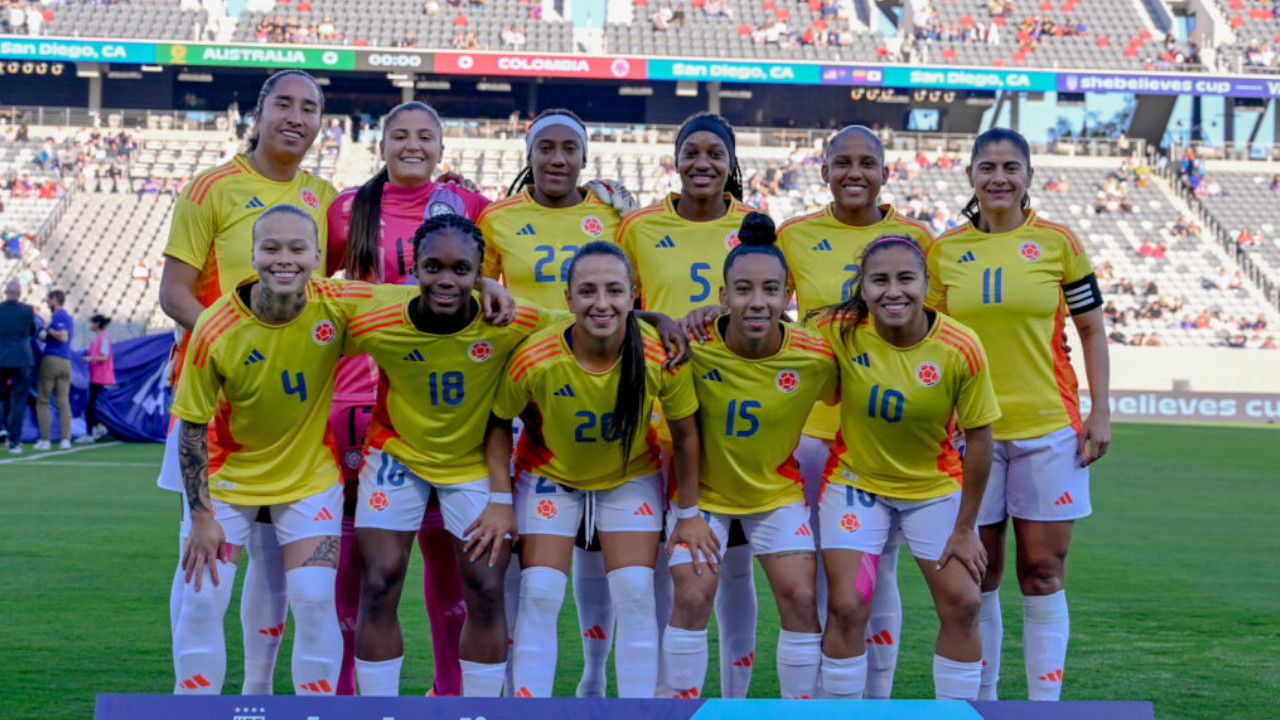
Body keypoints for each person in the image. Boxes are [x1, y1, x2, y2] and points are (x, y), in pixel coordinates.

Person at [159, 69, 337, 696]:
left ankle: (259, 701)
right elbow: (174, 292)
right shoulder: (210, 188)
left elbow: (335, 296)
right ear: (257, 114)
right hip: (216, 410)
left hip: (292, 418)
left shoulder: (326, 195)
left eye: (309, 107)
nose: (296, 116)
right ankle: (196, 702)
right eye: (282, 103)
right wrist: (236, 341)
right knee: (204, 571)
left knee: (282, 575)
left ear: (321, 122)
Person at [927, 128, 1110, 701]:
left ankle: (1042, 709)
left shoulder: (1059, 243)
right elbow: (929, 340)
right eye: (987, 167)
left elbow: (1090, 330)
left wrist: (1100, 411)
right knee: (978, 575)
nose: (998, 177)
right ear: (971, 177)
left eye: (1011, 167)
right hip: (971, 436)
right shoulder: (944, 251)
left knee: (1043, 573)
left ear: (1030, 176)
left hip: (1049, 431)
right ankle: (984, 704)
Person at [326, 100, 493, 697]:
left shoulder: (469, 207)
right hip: (358, 403)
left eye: (426, 135)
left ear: (443, 147)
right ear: (382, 143)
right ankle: (351, 696)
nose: (413, 145)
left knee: (452, 562)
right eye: (400, 135)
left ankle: (450, 694)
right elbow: (312, 295)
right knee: (366, 567)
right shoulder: (346, 209)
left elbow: (500, 283)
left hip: (444, 408)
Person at [492, 242, 709, 698]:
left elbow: (686, 436)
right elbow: (497, 423)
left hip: (630, 475)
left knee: (634, 592)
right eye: (587, 291)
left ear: (634, 296)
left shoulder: (659, 355)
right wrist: (498, 501)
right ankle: (532, 711)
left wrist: (688, 512)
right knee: (541, 592)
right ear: (567, 298)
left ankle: (636, 712)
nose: (602, 302)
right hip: (549, 472)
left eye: (614, 290)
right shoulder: (537, 357)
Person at [171, 205, 372, 696]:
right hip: (227, 481)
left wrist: (486, 287)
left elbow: (421, 299)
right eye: (272, 247)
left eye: (298, 248)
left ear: (318, 256)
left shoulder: (338, 302)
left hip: (308, 479)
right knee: (202, 599)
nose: (285, 259)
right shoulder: (216, 327)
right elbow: (192, 428)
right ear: (253, 254)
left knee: (314, 599)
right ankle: (195, 709)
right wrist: (200, 518)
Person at [343, 216, 542, 697]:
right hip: (397, 455)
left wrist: (657, 319)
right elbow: (313, 296)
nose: (446, 280)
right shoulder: (376, 314)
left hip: (473, 462)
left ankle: (476, 709)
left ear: (479, 272)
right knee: (381, 583)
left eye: (461, 269)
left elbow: (586, 317)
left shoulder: (512, 318)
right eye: (433, 267)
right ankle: (379, 709)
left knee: (486, 591)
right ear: (414, 266)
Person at [477, 107, 638, 697]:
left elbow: (629, 293)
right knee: (526, 560)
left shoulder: (614, 215)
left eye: (569, 148)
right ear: (529, 155)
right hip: (519, 393)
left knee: (601, 548)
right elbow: (480, 289)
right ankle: (519, 685)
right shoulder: (497, 218)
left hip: (596, 391)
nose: (557, 159)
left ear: (586, 158)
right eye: (545, 147)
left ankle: (594, 681)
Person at [775, 125, 934, 698]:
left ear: (886, 172)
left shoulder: (916, 237)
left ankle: (876, 700)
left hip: (888, 432)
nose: (854, 173)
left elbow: (930, 332)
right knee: (820, 570)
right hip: (814, 430)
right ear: (823, 170)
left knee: (879, 571)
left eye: (868, 162)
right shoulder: (794, 235)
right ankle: (819, 699)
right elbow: (764, 310)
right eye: (842, 162)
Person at [814, 234, 1000, 699]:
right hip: (857, 485)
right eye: (879, 280)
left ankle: (956, 712)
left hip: (933, 490)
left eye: (905, 279)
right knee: (847, 605)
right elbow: (767, 331)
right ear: (862, 287)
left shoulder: (961, 346)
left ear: (925, 283)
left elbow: (980, 439)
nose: (892, 291)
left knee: (962, 602)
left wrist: (966, 527)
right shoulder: (837, 327)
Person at [664, 213, 837, 700]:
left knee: (803, 598)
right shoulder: (692, 346)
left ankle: (799, 714)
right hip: (704, 499)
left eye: (770, 290)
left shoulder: (816, 357)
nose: (757, 301)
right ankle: (681, 710)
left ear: (788, 297)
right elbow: (681, 435)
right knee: (693, 595)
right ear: (723, 297)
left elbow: (857, 394)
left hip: (775, 494)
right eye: (742, 289)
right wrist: (689, 512)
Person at [618, 111, 756, 697]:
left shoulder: (757, 227)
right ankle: (655, 696)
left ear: (731, 164)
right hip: (657, 417)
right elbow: (620, 306)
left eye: (714, 154)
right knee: (655, 565)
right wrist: (659, 319)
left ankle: (733, 702)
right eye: (691, 152)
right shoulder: (639, 227)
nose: (703, 163)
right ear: (675, 161)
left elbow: (771, 306)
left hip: (733, 421)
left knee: (733, 570)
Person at [34, 290, 74, 451]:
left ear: (55, 300)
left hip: (52, 359)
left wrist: (47, 330)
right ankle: (66, 439)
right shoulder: (69, 317)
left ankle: (45, 440)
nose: (48, 304)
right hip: (66, 361)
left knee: (43, 400)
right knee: (63, 402)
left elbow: (62, 336)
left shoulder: (58, 316)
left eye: (49, 301)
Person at [0, 280, 36, 453]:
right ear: (19, 294)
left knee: (1, 398)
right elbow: (32, 332)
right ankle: (14, 441)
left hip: (2, 358)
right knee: (19, 400)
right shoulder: (28, 311)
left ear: (6, 293)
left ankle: (2, 429)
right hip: (22, 359)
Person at [78, 314, 115, 443]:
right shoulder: (99, 338)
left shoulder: (103, 338)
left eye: (93, 323)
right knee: (92, 404)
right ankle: (97, 427)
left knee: (91, 405)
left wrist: (91, 358)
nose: (91, 326)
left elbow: (104, 357)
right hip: (96, 376)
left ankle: (91, 432)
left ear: (97, 324)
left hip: (101, 376)